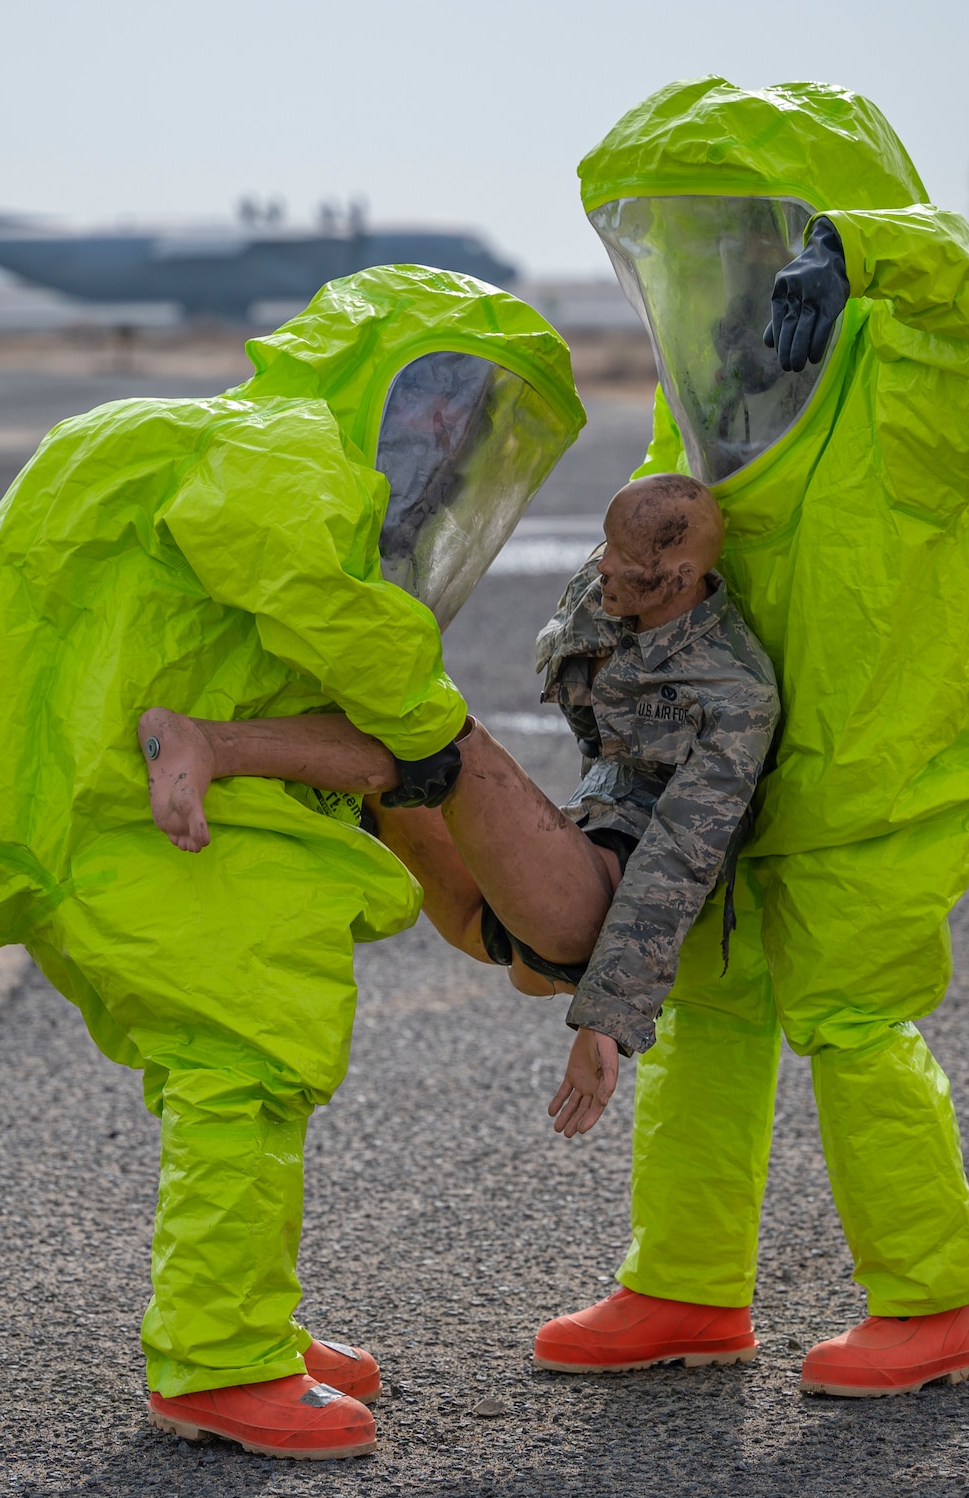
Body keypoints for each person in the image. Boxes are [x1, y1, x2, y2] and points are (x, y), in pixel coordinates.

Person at [0, 266, 585, 1461]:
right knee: (246, 1046)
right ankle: (217, 1357)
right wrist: (423, 723)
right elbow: (310, 589)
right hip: (110, 801)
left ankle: (244, 1318)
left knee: (236, 1059)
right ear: (386, 375)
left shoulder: (249, 442)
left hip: (115, 789)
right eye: (442, 403)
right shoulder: (278, 449)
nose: (446, 442)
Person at [528, 78, 969, 1399]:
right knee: (708, 1017)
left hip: (875, 776)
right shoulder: (718, 401)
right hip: (739, 775)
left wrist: (870, 252)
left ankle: (929, 1306)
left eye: (759, 237)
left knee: (855, 1021)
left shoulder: (913, 396)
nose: (730, 270)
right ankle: (685, 1287)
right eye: (698, 244)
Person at [139, 473, 778, 1144]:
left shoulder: (735, 695)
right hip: (535, 888)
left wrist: (606, 1019)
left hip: (595, 910)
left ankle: (205, 743)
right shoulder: (610, 584)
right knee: (400, 747)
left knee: (439, 742)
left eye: (625, 558)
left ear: (678, 576)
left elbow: (677, 866)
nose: (605, 564)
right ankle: (204, 743)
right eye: (606, 544)